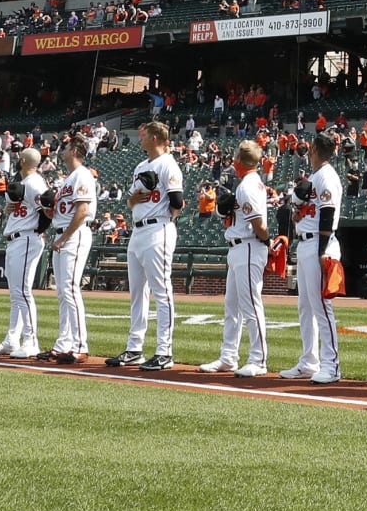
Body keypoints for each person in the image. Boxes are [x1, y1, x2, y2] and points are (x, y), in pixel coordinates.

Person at [109, 122, 184, 371]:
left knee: (161, 292)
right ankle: (134, 348)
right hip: (138, 230)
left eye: (144, 135)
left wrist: (167, 215)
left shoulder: (168, 164)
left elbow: (177, 201)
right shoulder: (141, 166)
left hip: (158, 228)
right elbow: (131, 201)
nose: (140, 138)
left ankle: (165, 351)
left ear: (154, 138)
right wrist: (134, 199)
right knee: (137, 293)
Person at [201, 141, 271, 377]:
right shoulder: (249, 183)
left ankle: (258, 360)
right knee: (232, 308)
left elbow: (259, 225)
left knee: (250, 306)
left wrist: (268, 242)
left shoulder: (247, 186)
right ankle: (228, 357)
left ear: (238, 161)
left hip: (249, 246)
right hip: (239, 248)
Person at [281, 133, 345, 383]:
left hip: (321, 244)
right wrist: (297, 212)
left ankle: (331, 365)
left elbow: (328, 215)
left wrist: (321, 251)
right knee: (305, 307)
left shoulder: (327, 176)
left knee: (321, 307)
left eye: (310, 147)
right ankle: (309, 361)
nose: (307, 151)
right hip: (306, 242)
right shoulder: (315, 178)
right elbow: (308, 213)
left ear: (316, 149)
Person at [40, 138, 99, 365]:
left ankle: (80, 345)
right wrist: (51, 214)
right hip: (62, 233)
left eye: (65, 147)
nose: (62, 151)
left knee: (70, 289)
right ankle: (64, 343)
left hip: (74, 235)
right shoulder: (69, 179)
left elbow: (83, 211)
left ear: (74, 150)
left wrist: (64, 238)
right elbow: (66, 210)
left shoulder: (82, 174)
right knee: (63, 292)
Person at [0, 148, 47, 359]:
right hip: (18, 238)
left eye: (19, 157)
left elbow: (47, 212)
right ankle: (12, 339)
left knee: (23, 292)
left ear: (24, 161)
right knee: (16, 294)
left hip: (26, 238)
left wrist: (34, 230)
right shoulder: (26, 183)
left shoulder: (35, 183)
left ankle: (31, 341)